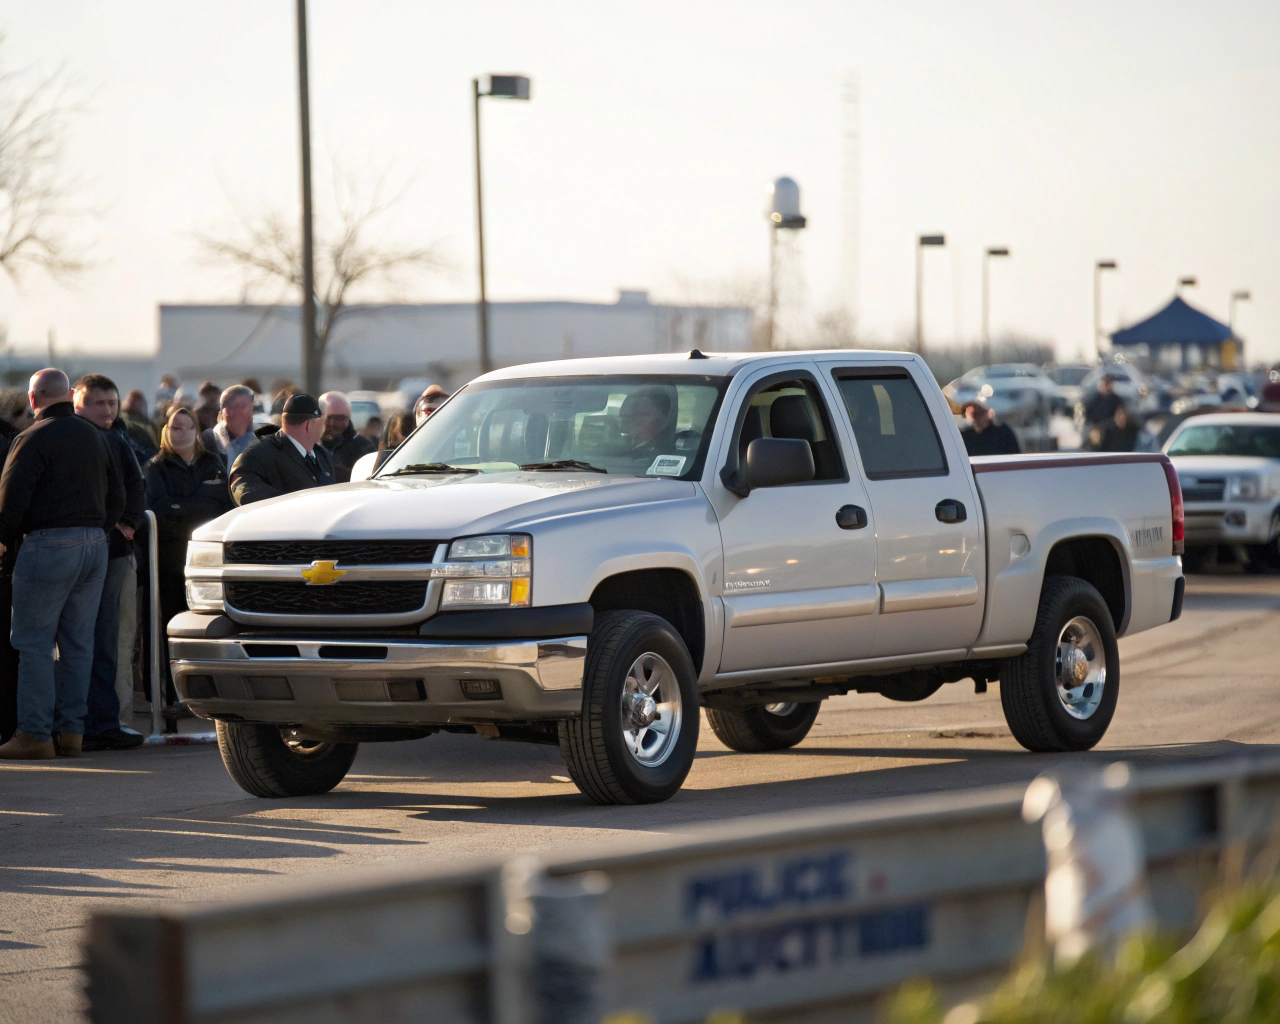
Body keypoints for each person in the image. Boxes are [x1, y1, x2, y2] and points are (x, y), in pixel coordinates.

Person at [0, 369, 124, 759]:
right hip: (94, 546)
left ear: (34, 400)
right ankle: (72, 733)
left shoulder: (31, 437)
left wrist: (4, 539)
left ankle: (34, 734)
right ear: (70, 396)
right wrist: (97, 531)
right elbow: (118, 495)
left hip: (48, 545)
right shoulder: (96, 436)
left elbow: (11, 499)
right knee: (77, 644)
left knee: (33, 643)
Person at [73, 375, 148, 751]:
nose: (107, 410)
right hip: (73, 551)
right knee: (74, 641)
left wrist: (128, 524)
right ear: (77, 402)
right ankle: (73, 722)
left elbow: (136, 487)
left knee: (104, 641)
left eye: (112, 403)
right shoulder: (65, 436)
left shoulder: (118, 440)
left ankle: (101, 722)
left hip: (114, 553)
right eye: (98, 403)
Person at [146, 407, 234, 700]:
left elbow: (223, 507)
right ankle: (166, 696)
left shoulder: (214, 463)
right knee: (167, 627)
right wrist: (200, 502)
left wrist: (181, 506)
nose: (180, 433)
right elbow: (158, 510)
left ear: (197, 431)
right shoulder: (157, 466)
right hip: (168, 561)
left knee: (204, 626)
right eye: (174, 428)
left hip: (204, 561)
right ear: (165, 432)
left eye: (186, 427)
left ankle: (205, 691)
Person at [230, 393, 335, 505]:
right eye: (322, 422)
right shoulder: (257, 457)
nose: (325, 426)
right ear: (308, 425)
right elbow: (245, 493)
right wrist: (292, 506)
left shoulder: (322, 455)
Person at [318, 391, 377, 483]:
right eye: (328, 418)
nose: (332, 423)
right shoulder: (310, 444)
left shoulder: (362, 447)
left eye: (339, 418)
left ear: (348, 418)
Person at [201, 384, 257, 468]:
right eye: (236, 407)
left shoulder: (261, 438)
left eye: (248, 408)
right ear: (224, 412)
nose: (237, 413)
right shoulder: (210, 440)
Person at [618, 386, 677, 463]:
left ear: (664, 420)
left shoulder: (668, 454)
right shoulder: (613, 448)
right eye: (626, 416)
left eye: (642, 414)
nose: (632, 420)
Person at [120, 390, 159, 458]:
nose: (134, 403)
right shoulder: (122, 423)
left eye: (138, 400)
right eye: (132, 400)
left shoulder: (150, 425)